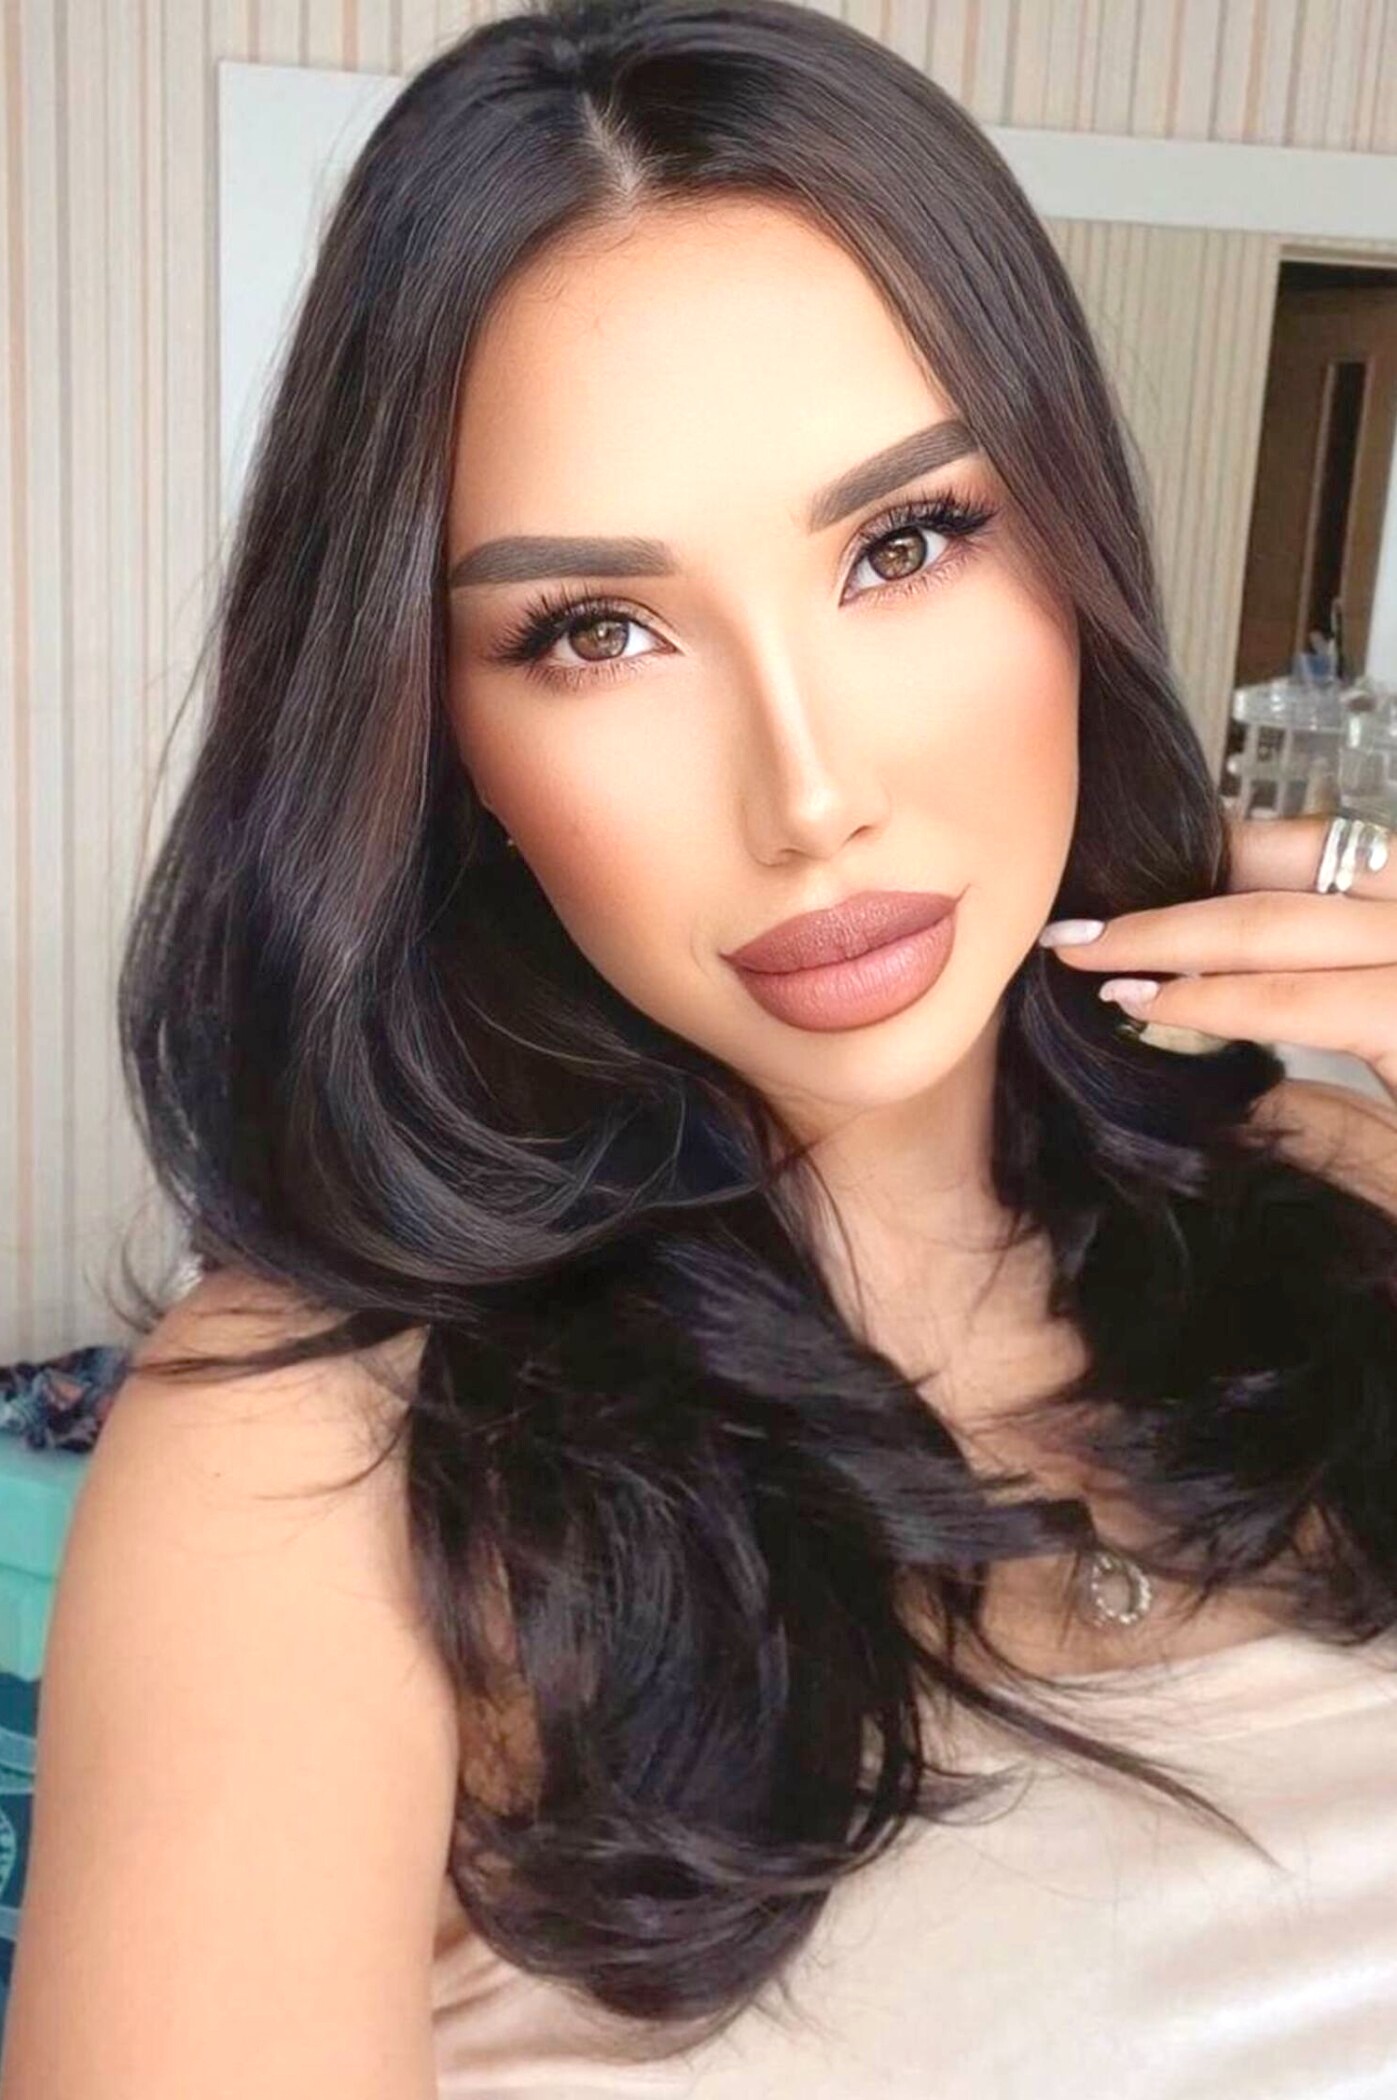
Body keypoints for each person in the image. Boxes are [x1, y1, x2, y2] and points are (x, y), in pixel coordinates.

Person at [5, 3, 1397, 2095]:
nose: (812, 792)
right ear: (443, 737)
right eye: (598, 633)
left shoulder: (1340, 1188)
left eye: (905, 544)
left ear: (1074, 546)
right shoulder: (315, 1462)